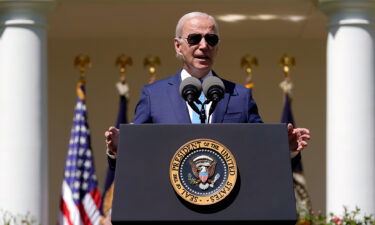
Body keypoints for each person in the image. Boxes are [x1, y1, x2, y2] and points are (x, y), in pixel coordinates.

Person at [105, 11, 310, 159]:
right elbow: (137, 151)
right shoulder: (153, 95)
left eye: (211, 39)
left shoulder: (240, 95)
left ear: (217, 47)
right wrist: (119, 148)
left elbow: (259, 148)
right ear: (178, 46)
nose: (204, 45)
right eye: (194, 38)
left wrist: (285, 148)